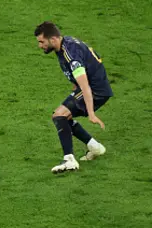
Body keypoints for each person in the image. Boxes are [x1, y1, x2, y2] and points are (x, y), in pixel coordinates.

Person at [34, 21, 113, 173]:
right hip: (95, 86)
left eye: (42, 42)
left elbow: (85, 86)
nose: (40, 45)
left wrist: (91, 114)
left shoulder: (71, 55)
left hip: (95, 90)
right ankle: (94, 147)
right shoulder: (66, 43)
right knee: (62, 117)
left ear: (53, 39)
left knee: (59, 115)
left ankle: (69, 160)